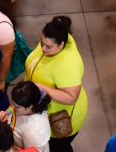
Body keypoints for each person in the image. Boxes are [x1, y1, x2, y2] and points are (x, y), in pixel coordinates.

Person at [24, 16, 88, 152]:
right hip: (45, 110)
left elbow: (72, 97)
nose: (43, 49)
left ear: (62, 45)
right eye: (41, 43)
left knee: (58, 148)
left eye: (48, 47)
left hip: (59, 118)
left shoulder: (67, 65)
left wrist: (42, 88)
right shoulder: (53, 42)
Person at [2, 81, 52, 152]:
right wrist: (6, 113)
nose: (12, 107)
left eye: (16, 107)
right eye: (12, 102)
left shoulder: (34, 133)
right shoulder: (29, 102)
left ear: (30, 107)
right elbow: (13, 107)